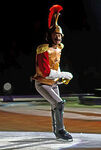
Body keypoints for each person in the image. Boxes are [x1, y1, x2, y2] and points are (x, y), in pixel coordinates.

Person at [33, 5, 73, 141]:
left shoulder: (59, 48)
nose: (58, 37)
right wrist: (64, 75)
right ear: (50, 36)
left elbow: (56, 65)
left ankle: (57, 131)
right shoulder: (43, 49)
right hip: (43, 83)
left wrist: (60, 77)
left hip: (53, 83)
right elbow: (46, 72)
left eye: (59, 35)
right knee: (59, 103)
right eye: (55, 35)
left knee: (55, 105)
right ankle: (60, 131)